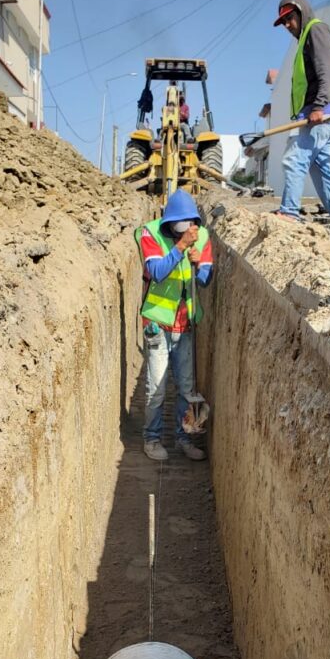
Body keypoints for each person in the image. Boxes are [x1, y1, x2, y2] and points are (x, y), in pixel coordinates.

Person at [135, 190, 213, 462]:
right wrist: (180, 248)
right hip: (157, 323)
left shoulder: (201, 236)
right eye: (180, 228)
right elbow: (156, 272)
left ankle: (184, 438)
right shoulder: (150, 234)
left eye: (190, 226)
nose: (187, 231)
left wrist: (198, 266)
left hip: (185, 323)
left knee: (186, 387)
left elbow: (205, 278)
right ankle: (152, 439)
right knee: (156, 388)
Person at [273, 0, 330, 222]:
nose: (288, 25)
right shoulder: (305, 38)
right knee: (320, 167)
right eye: (284, 22)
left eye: (290, 18)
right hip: (322, 113)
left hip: (322, 112)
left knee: (294, 159)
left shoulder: (315, 30)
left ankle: (289, 211)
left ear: (301, 11)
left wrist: (318, 107)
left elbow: (326, 71)